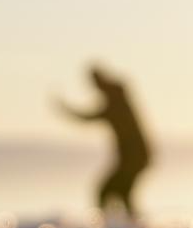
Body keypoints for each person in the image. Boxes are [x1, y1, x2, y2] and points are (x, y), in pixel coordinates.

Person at [56, 65, 152, 219]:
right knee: (121, 192)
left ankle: (109, 227)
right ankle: (127, 226)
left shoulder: (115, 102)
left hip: (134, 158)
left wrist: (65, 109)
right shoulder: (117, 97)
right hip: (136, 157)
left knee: (108, 190)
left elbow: (89, 117)